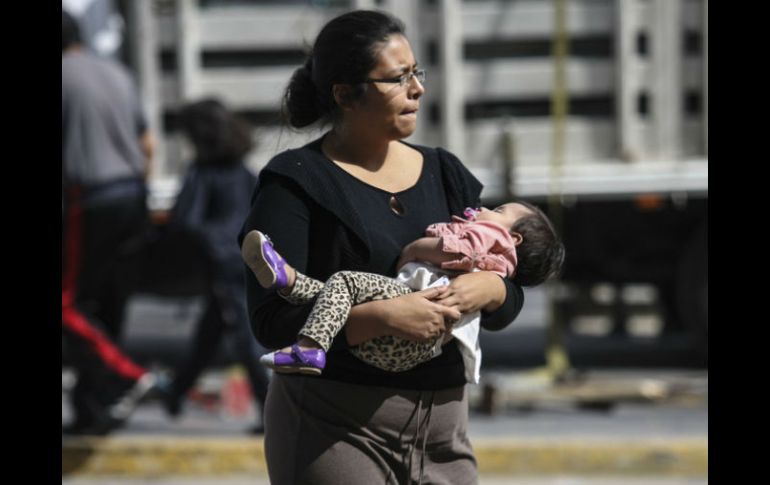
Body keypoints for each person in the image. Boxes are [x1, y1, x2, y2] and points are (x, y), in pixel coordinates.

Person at [238, 10, 528, 483]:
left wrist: (491, 290)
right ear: (345, 94)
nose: (418, 89)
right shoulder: (294, 182)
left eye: (417, 73)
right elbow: (271, 322)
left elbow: (509, 294)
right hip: (334, 429)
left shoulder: (445, 172)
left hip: (443, 434)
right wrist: (380, 319)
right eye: (398, 78)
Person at [244, 201, 564, 383]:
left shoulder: (492, 239)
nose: (485, 208)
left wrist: (414, 248)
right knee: (344, 296)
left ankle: (310, 347)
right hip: (406, 350)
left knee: (347, 282)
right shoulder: (496, 254)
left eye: (499, 209)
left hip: (408, 327)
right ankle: (290, 281)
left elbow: (458, 250)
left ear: (514, 239)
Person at [62, 9, 157, 435]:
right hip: (133, 193)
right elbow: (147, 144)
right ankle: (94, 407)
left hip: (91, 199)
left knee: (67, 305)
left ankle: (123, 375)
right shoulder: (116, 73)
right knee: (105, 303)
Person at [160, 98, 271, 435]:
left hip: (222, 262)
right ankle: (176, 392)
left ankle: (270, 413)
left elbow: (185, 220)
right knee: (212, 330)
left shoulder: (202, 173)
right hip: (250, 257)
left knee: (244, 337)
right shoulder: (243, 171)